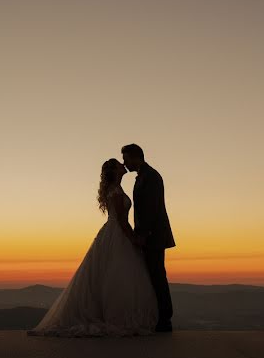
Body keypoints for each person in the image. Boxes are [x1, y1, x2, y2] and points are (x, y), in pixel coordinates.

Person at [27, 159, 158, 337]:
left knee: (110, 275)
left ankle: (111, 313)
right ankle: (119, 317)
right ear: (114, 171)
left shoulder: (114, 189)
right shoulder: (116, 191)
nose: (123, 165)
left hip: (111, 233)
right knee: (118, 275)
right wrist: (134, 239)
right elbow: (121, 221)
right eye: (119, 164)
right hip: (117, 234)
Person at [121, 143, 175, 332]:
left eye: (126, 158)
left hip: (153, 236)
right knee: (153, 274)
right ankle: (159, 316)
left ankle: (165, 318)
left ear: (135, 157)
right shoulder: (143, 177)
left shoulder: (150, 177)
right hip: (149, 235)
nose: (124, 163)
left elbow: (151, 209)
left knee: (157, 274)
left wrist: (144, 234)